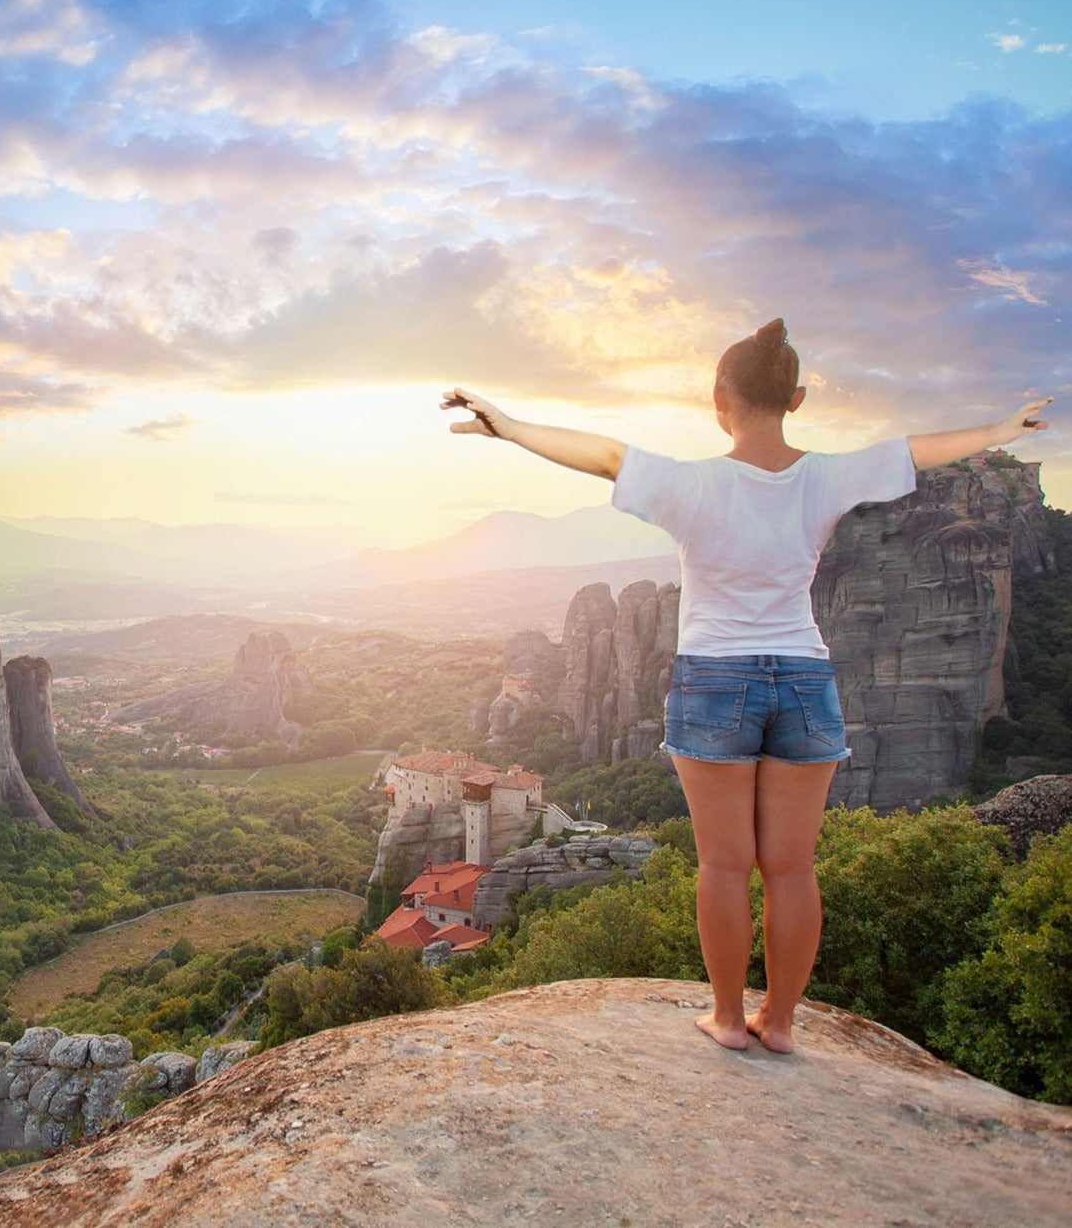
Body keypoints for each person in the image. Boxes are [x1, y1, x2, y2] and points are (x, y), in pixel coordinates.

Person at [441, 318, 1052, 1053]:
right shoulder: (826, 475)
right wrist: (1003, 428)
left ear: (717, 401)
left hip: (714, 680)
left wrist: (507, 426)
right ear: (795, 398)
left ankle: (729, 1018)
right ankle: (783, 1022)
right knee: (792, 867)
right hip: (803, 676)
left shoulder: (691, 482)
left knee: (724, 865)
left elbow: (601, 455)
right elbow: (915, 452)